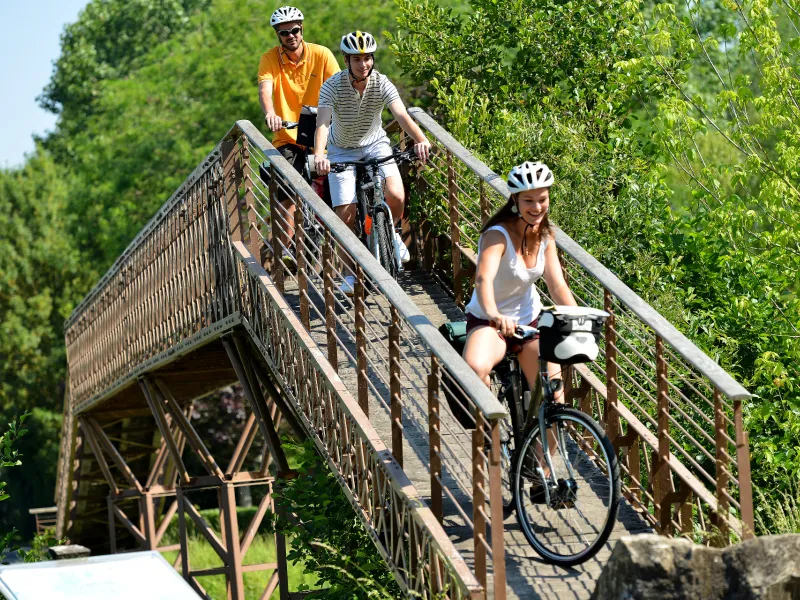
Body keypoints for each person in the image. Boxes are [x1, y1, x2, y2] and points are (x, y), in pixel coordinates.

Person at [313, 30, 431, 295]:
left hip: (376, 144)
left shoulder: (381, 82)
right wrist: (320, 155)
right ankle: (349, 273)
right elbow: (322, 124)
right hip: (341, 150)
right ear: (346, 60)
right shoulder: (332, 86)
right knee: (345, 214)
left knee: (397, 195)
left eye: (367, 58)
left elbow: (401, 115)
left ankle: (393, 233)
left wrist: (421, 140)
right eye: (357, 59)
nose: (363, 64)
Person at [463, 160, 577, 400]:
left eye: (542, 199)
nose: (537, 207)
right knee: (475, 369)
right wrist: (494, 314)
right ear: (515, 200)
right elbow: (483, 279)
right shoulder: (497, 235)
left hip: (529, 320)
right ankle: (493, 431)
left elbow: (556, 285)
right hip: (490, 320)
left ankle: (544, 437)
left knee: (554, 395)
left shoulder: (546, 235)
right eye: (529, 200)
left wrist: (577, 318)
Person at [257, 6, 339, 266]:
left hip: (323, 132)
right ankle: (289, 250)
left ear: (302, 29)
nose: (291, 36)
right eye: (284, 33)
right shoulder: (270, 58)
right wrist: (270, 112)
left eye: (295, 30)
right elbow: (265, 88)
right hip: (288, 136)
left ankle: (352, 244)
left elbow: (339, 87)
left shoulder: (321, 54)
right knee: (286, 188)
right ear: (277, 36)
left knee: (341, 185)